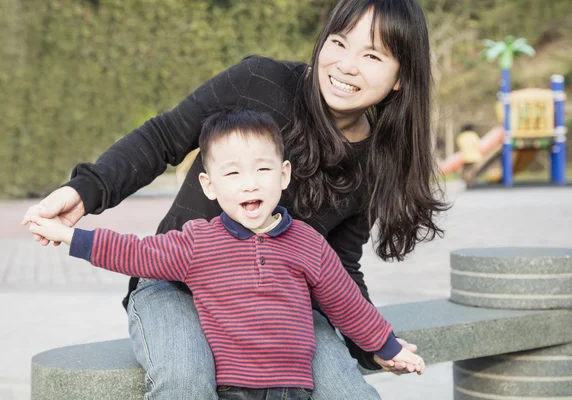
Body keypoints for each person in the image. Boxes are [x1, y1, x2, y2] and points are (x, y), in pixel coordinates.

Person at [22, 0, 447, 398]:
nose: (346, 65)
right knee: (185, 377)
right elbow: (163, 138)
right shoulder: (259, 83)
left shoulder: (375, 161)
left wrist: (372, 344)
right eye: (338, 42)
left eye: (372, 56)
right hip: (178, 285)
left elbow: (339, 267)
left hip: (284, 302)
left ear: (401, 76)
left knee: (347, 391)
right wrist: (85, 191)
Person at [24, 109, 425, 399]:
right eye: (232, 173)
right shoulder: (199, 243)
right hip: (234, 390)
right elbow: (135, 253)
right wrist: (68, 235)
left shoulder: (307, 243)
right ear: (209, 185)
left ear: (283, 175)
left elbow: (346, 303)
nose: (249, 184)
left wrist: (387, 346)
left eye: (262, 170)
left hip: (294, 389)